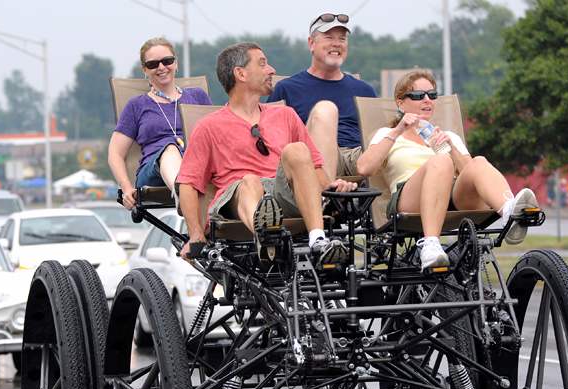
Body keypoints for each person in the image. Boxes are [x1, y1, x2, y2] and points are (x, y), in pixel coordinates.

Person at [177, 42, 356, 265]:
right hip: (239, 197)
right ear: (240, 73)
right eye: (262, 64)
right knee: (250, 181)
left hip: (282, 193)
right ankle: (266, 237)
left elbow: (315, 168)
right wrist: (195, 235)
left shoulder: (286, 115)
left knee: (296, 150)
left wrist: (331, 187)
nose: (271, 70)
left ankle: (317, 240)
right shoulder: (208, 126)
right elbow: (188, 184)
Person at [355, 70, 535, 271]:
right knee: (440, 162)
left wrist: (450, 146)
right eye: (418, 95)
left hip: (451, 197)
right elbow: (364, 168)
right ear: (400, 102)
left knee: (479, 161)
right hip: (409, 201)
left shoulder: (447, 135)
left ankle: (510, 213)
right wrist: (398, 131)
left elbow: (473, 175)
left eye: (432, 95)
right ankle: (430, 244)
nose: (427, 100)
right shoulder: (388, 134)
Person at [269, 12, 376, 181]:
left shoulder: (364, 91)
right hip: (311, 160)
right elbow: (272, 141)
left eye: (342, 39)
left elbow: (375, 137)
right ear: (311, 43)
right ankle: (326, 196)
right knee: (325, 112)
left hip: (358, 159)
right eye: (328, 37)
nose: (336, 44)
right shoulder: (287, 89)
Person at [109, 37, 212, 209]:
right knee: (170, 148)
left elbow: (215, 136)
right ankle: (183, 196)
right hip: (153, 171)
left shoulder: (197, 96)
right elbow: (115, 153)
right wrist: (126, 187)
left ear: (176, 64)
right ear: (145, 70)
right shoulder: (137, 105)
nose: (161, 67)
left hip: (196, 162)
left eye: (167, 61)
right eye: (153, 64)